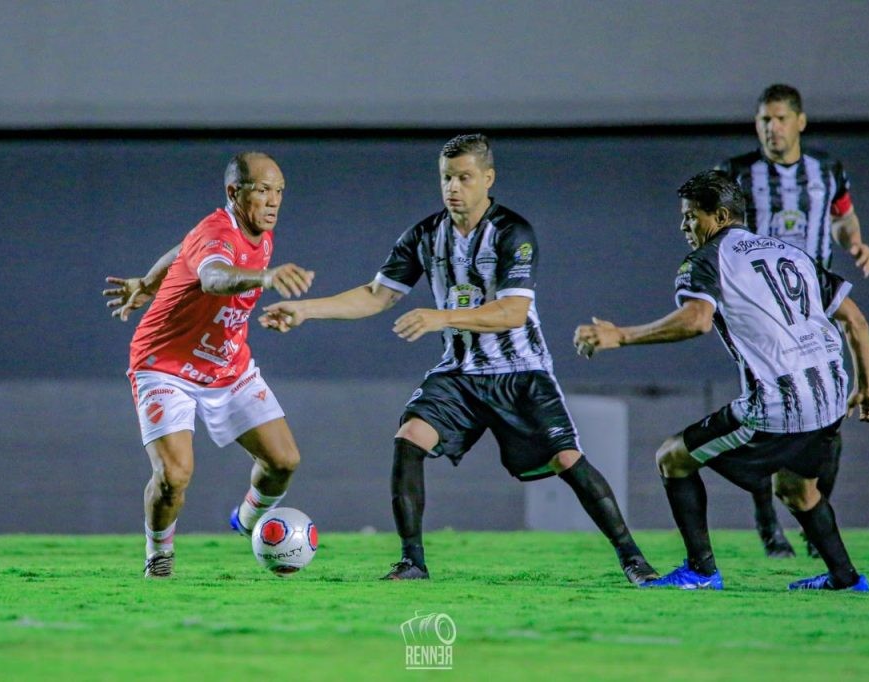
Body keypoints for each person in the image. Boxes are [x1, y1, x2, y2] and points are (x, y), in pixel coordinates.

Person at [260, 134, 657, 585]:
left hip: (520, 372)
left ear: (487, 179)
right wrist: (306, 309)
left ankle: (633, 559)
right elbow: (376, 295)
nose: (453, 187)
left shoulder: (513, 232)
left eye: (464, 177)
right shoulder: (425, 235)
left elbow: (513, 312)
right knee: (410, 437)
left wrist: (439, 316)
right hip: (460, 374)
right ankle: (413, 562)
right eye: (447, 177)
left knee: (566, 459)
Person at [574, 170, 869, 591]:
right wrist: (866, 386)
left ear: (719, 216)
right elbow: (856, 320)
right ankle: (846, 579)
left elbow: (697, 320)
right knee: (797, 489)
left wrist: (620, 335)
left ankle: (701, 573)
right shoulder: (789, 252)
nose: (684, 227)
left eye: (690, 217)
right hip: (830, 395)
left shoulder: (704, 261)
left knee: (672, 458)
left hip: (780, 401)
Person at [102, 152, 315, 577]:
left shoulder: (260, 233)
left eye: (279, 192)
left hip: (226, 366)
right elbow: (214, 276)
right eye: (263, 190)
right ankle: (159, 556)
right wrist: (266, 278)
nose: (273, 201)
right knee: (174, 475)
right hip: (165, 364)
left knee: (284, 461)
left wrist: (148, 282)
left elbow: (183, 250)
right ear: (234, 192)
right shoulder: (220, 231)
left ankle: (249, 522)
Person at [718, 84, 869, 558]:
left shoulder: (827, 169)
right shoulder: (738, 173)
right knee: (770, 413)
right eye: (765, 120)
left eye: (781, 119)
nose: (773, 128)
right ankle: (769, 528)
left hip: (814, 300)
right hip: (762, 309)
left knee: (827, 416)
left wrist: (854, 244)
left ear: (800, 122)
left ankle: (812, 514)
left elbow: (843, 216)